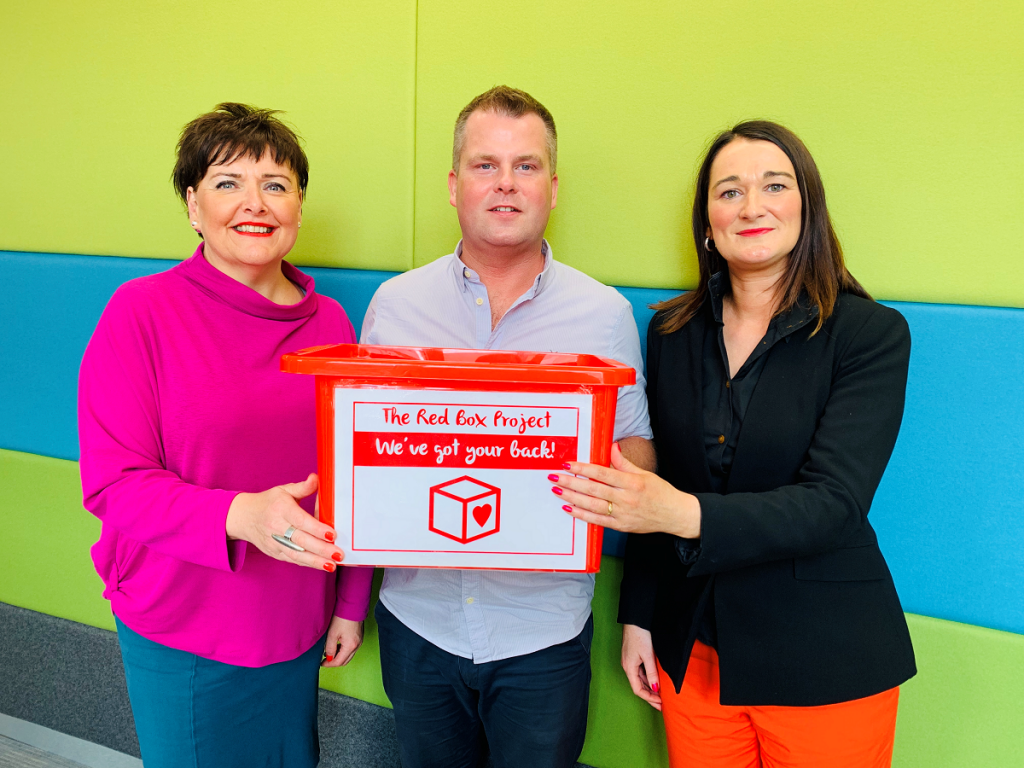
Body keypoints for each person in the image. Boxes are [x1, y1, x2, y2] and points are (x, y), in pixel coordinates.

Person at [551, 121, 916, 768]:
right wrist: (640, 616)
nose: (752, 206)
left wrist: (679, 513)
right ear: (706, 221)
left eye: (774, 185)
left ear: (807, 205)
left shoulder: (869, 335)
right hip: (695, 653)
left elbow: (834, 503)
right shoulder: (672, 331)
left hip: (825, 660)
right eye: (729, 191)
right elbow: (651, 484)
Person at [360, 85, 655, 768]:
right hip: (417, 623)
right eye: (485, 164)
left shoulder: (602, 315)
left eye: (525, 166)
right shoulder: (394, 306)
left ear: (553, 187)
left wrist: (594, 460)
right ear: (454, 183)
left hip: (543, 634)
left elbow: (636, 447)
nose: (505, 183)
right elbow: (367, 452)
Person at [78, 103, 373, 768]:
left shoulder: (331, 323)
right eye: (227, 182)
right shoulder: (141, 313)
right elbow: (112, 485)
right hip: (182, 620)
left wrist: (350, 600)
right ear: (192, 204)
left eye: (276, 184)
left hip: (297, 614)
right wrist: (240, 512)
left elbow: (355, 473)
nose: (255, 202)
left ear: (298, 204)